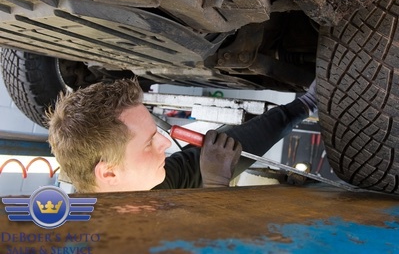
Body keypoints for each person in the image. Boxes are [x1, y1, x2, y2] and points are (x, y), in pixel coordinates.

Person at [47, 78, 317, 193]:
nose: (165, 142)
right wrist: (215, 187)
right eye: (149, 142)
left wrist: (305, 104)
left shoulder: (149, 183)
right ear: (109, 173)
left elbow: (223, 152)